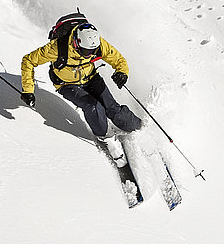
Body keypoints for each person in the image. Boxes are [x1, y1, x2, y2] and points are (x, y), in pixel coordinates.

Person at [20, 17, 142, 167]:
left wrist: (122, 72)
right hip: (67, 84)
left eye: (92, 51)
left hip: (91, 77)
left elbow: (117, 59)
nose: (89, 54)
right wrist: (28, 90)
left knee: (112, 109)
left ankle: (139, 128)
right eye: (86, 51)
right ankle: (106, 137)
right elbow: (28, 60)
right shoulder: (56, 48)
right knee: (92, 106)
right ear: (77, 43)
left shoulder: (96, 43)